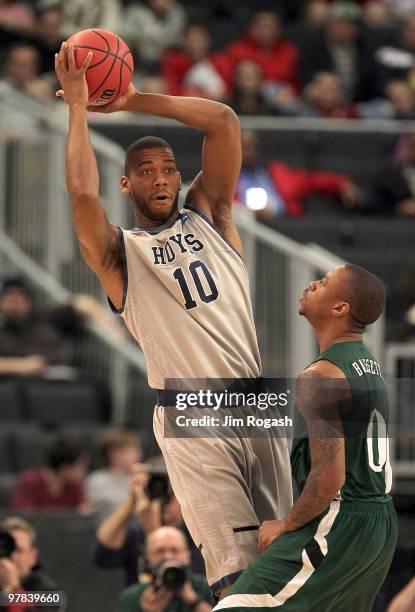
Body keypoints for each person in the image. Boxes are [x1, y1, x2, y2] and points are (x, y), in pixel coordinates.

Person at [55, 41, 292, 598]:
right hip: (190, 411)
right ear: (127, 184)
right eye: (145, 171)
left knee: (284, 557)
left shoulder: (212, 212)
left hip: (255, 400)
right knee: (237, 573)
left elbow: (224, 121)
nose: (160, 180)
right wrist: (78, 109)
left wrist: (135, 98)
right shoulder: (119, 254)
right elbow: (81, 193)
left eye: (167, 170)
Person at [214, 264, 397, 611]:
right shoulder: (368, 365)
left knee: (234, 606)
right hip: (379, 524)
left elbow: (329, 478)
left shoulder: (321, 376)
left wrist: (287, 524)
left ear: (340, 308)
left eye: (324, 282)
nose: (312, 284)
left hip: (340, 520)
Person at [94, 464, 205, 585]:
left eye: (170, 492)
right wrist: (132, 499)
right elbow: (104, 556)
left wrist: (153, 530)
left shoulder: (196, 533)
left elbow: (178, 580)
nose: (163, 500)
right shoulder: (136, 532)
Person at [236, 129, 362, 217]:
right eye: (243, 146)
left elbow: (312, 180)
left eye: (251, 146)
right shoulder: (225, 178)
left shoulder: (278, 173)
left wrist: (342, 184)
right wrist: (249, 213)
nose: (247, 151)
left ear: (258, 149)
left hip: (281, 228)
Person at [115, 526, 212, 612]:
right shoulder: (133, 597)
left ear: (188, 555)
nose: (168, 556)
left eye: (175, 550)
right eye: (159, 551)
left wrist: (193, 601)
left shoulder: (209, 587)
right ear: (148, 557)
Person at [0, 277, 64, 376]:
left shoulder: (46, 318)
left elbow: (84, 304)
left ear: (29, 301)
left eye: (20, 297)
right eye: (9, 296)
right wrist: (21, 365)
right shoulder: (3, 331)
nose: (14, 302)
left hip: (49, 383)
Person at [11, 436, 90, 511]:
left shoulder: (75, 485)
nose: (83, 473)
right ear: (65, 469)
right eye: (81, 468)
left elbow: (85, 513)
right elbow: (23, 517)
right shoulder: (29, 482)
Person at [0, 516, 61, 611]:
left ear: (33, 557)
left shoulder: (48, 592)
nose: (11, 555)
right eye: (5, 548)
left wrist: (13, 589)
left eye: (18, 550)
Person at [86, 428, 142, 516]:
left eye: (136, 449)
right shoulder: (97, 480)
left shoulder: (142, 478)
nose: (134, 454)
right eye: (126, 451)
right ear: (111, 454)